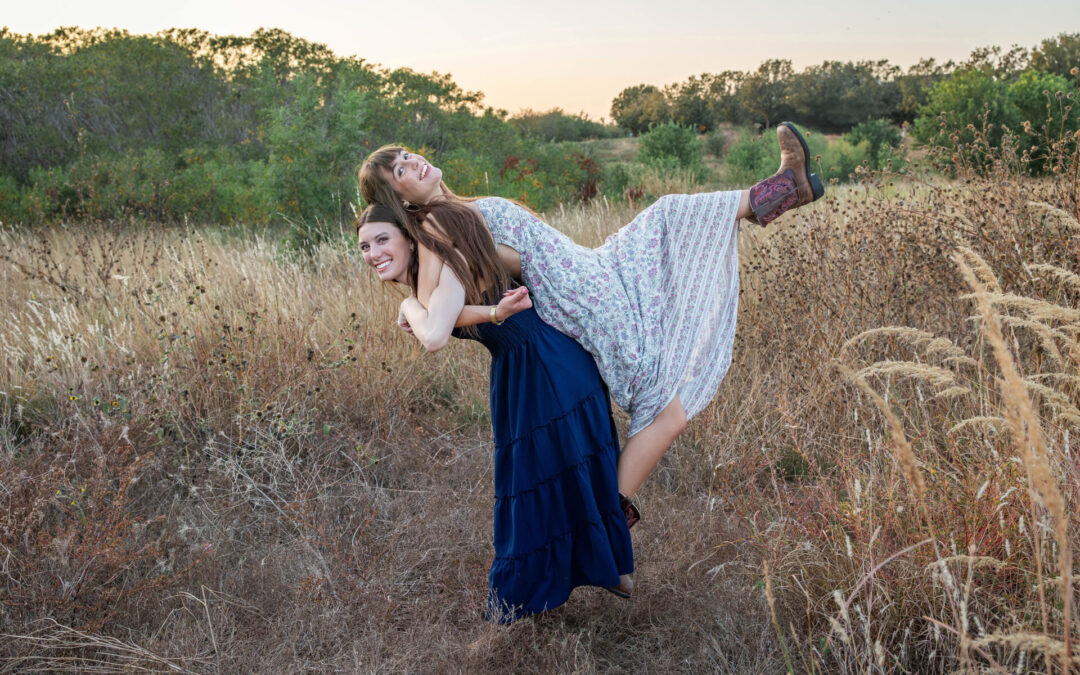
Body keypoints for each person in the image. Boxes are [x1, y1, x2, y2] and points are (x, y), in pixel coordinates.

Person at [358, 123, 825, 527]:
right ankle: (787, 187)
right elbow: (437, 314)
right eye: (399, 170)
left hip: (596, 270)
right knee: (664, 404)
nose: (412, 161)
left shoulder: (452, 209)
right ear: (399, 201)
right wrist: (412, 308)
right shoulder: (438, 226)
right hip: (590, 298)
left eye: (405, 155)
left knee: (666, 406)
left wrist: (415, 309)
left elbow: (439, 305)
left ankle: (612, 520)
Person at [356, 203, 635, 623]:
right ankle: (606, 570)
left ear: (410, 240)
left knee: (540, 478)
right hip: (520, 370)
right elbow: (457, 316)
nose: (373, 252)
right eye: (363, 246)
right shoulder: (426, 285)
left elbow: (435, 333)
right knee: (546, 476)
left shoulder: (444, 265)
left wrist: (408, 308)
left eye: (382, 240)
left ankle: (516, 605)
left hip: (547, 365)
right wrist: (414, 303)